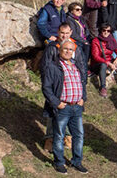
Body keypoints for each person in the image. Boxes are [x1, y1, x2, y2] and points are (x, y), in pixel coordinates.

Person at [42, 40, 88, 174]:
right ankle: (59, 162)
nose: (68, 51)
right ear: (60, 50)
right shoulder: (53, 66)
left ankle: (77, 162)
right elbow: (46, 87)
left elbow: (82, 83)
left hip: (77, 107)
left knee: (79, 135)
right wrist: (56, 103)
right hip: (63, 108)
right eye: (65, 49)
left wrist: (82, 98)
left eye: (70, 50)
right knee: (59, 135)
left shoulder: (76, 65)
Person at [40, 23, 84, 152]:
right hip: (56, 86)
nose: (64, 35)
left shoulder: (76, 47)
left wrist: (83, 91)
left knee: (72, 113)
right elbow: (45, 67)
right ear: (58, 33)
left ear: (71, 32)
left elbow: (81, 66)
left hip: (72, 86)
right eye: (62, 33)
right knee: (52, 110)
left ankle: (68, 137)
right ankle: (49, 138)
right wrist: (48, 83)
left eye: (67, 33)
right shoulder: (52, 47)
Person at [90, 23, 117, 97]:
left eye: (108, 31)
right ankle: (103, 87)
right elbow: (95, 57)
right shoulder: (95, 41)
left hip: (109, 62)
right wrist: (108, 63)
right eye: (104, 30)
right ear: (100, 31)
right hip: (98, 64)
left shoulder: (111, 39)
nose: (106, 32)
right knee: (103, 65)